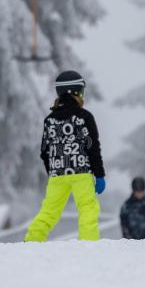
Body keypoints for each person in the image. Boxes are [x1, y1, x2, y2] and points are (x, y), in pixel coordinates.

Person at [24, 70, 106, 242]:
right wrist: (99, 174)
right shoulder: (84, 117)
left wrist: (53, 172)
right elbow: (93, 147)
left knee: (49, 211)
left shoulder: (50, 120)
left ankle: (32, 240)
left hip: (57, 176)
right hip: (81, 172)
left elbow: (44, 151)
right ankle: (89, 243)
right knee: (87, 208)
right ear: (77, 91)